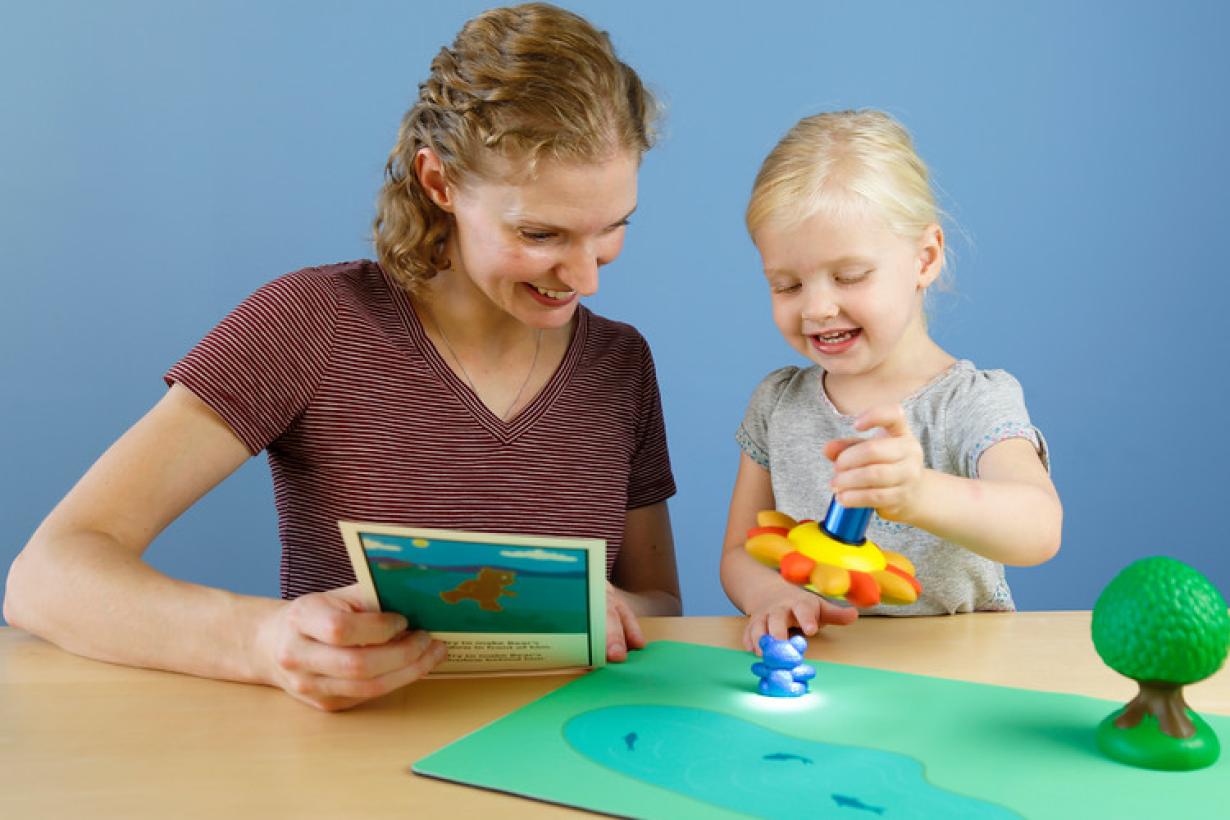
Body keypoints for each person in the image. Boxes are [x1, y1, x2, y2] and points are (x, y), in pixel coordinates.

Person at [4, 3, 681, 711]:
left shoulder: (620, 364)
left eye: (611, 229)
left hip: (562, 755)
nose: (586, 277)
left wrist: (617, 608)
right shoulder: (313, 323)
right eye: (541, 233)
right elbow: (45, 577)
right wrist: (261, 641)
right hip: (351, 765)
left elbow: (663, 601)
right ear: (439, 183)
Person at [720, 110, 1062, 651]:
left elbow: (1039, 527)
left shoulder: (970, 402)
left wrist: (917, 492)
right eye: (786, 285)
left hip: (964, 675)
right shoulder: (776, 403)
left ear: (925, 258)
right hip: (828, 670)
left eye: (849, 276)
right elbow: (740, 550)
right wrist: (768, 595)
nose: (817, 307)